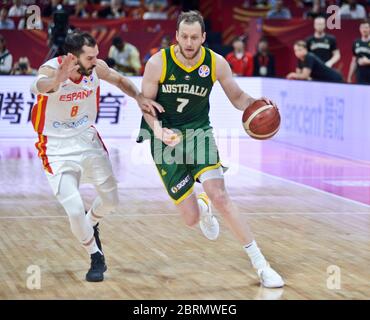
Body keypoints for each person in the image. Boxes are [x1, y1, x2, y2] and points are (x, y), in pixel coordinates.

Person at [138, 11, 284, 288]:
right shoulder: (158, 63)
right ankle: (201, 207)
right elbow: (146, 105)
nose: (189, 42)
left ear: (204, 37)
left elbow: (238, 97)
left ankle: (261, 265)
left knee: (220, 195)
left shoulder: (216, 63)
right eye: (184, 36)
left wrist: (257, 105)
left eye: (195, 37)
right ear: (177, 36)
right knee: (191, 218)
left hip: (198, 132)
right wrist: (157, 130)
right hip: (164, 137)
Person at [30, 30, 163, 282]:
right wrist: (58, 79)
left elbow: (120, 80)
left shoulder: (96, 68)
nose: (96, 61)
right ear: (73, 57)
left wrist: (138, 97)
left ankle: (92, 223)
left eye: (96, 55)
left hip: (87, 139)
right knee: (74, 207)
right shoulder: (49, 70)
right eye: (90, 57)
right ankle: (95, 254)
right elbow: (40, 86)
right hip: (55, 146)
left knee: (111, 201)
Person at [348, 19, 370, 84]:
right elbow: (354, 60)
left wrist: (368, 62)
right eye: (362, 27)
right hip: (360, 75)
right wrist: (349, 76)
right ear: (359, 29)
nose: (364, 30)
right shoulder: (356, 42)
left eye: (366, 27)